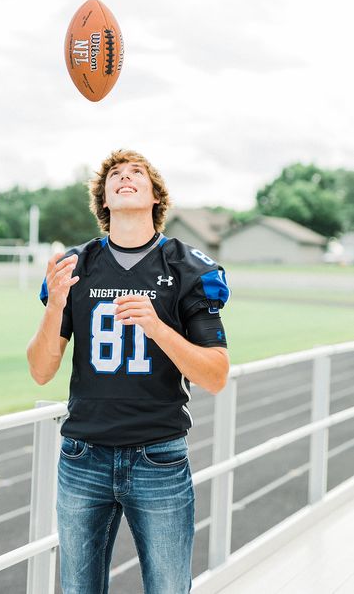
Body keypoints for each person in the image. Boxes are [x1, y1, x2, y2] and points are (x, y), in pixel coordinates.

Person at [26, 148, 230, 594]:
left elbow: (215, 374)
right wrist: (55, 306)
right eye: (114, 174)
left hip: (158, 455)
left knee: (169, 588)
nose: (125, 177)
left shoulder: (185, 266)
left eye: (137, 172)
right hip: (83, 455)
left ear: (156, 196)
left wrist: (158, 328)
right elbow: (41, 371)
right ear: (104, 198)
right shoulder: (74, 267)